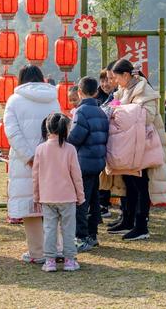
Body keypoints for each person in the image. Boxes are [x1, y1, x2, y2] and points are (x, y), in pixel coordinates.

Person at [105, 59, 166, 241]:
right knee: (128, 181)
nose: (114, 81)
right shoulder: (124, 90)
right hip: (128, 144)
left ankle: (141, 225)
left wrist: (120, 112)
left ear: (126, 75)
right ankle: (128, 219)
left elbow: (148, 116)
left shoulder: (145, 90)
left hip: (143, 145)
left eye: (116, 77)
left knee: (141, 185)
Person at [4, 65, 61, 264]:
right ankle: (58, 248)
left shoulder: (14, 100)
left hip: (24, 162)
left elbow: (12, 132)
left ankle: (37, 252)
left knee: (30, 205)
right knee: (53, 204)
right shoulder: (53, 98)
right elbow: (60, 128)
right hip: (51, 158)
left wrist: (29, 157)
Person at [32, 113, 85, 272]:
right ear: (65, 129)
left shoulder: (40, 149)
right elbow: (76, 175)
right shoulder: (70, 149)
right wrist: (80, 195)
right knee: (68, 229)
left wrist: (36, 196)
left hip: (47, 197)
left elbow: (35, 176)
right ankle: (69, 260)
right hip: (67, 197)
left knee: (49, 229)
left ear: (47, 128)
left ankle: (50, 261)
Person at [67, 76, 109, 252]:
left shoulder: (82, 112)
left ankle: (81, 236)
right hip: (98, 161)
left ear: (80, 92)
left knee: (81, 202)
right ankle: (93, 234)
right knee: (93, 200)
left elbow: (75, 138)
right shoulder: (101, 111)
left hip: (83, 163)